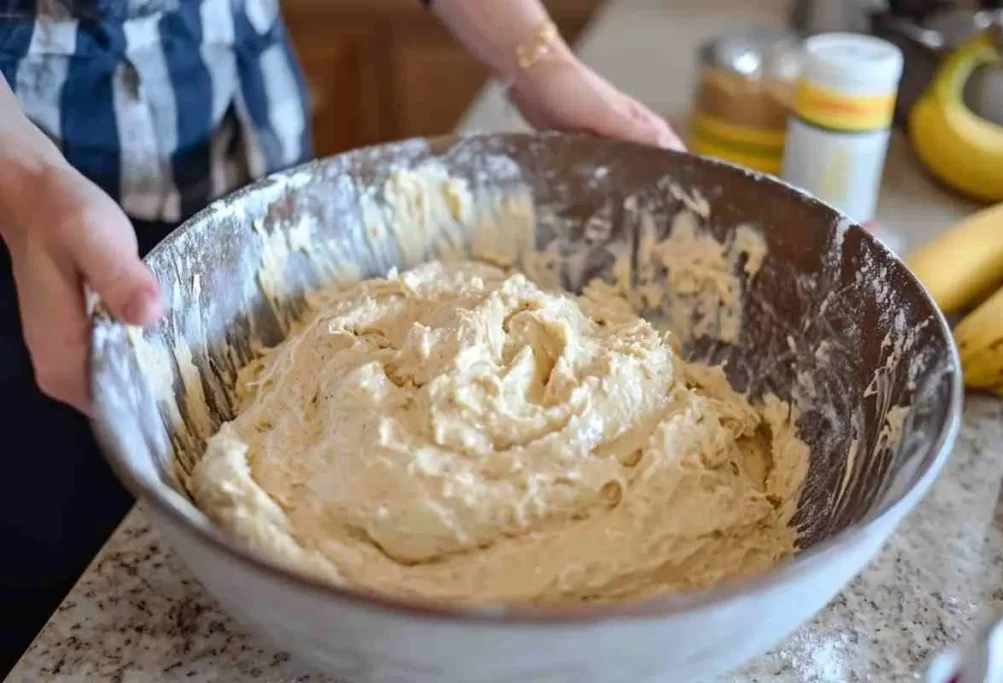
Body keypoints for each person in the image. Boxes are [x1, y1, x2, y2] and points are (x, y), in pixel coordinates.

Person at [0, 0, 683, 670]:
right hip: (27, 208)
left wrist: (537, 61)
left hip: (237, 136)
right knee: (42, 567)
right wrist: (25, 183)